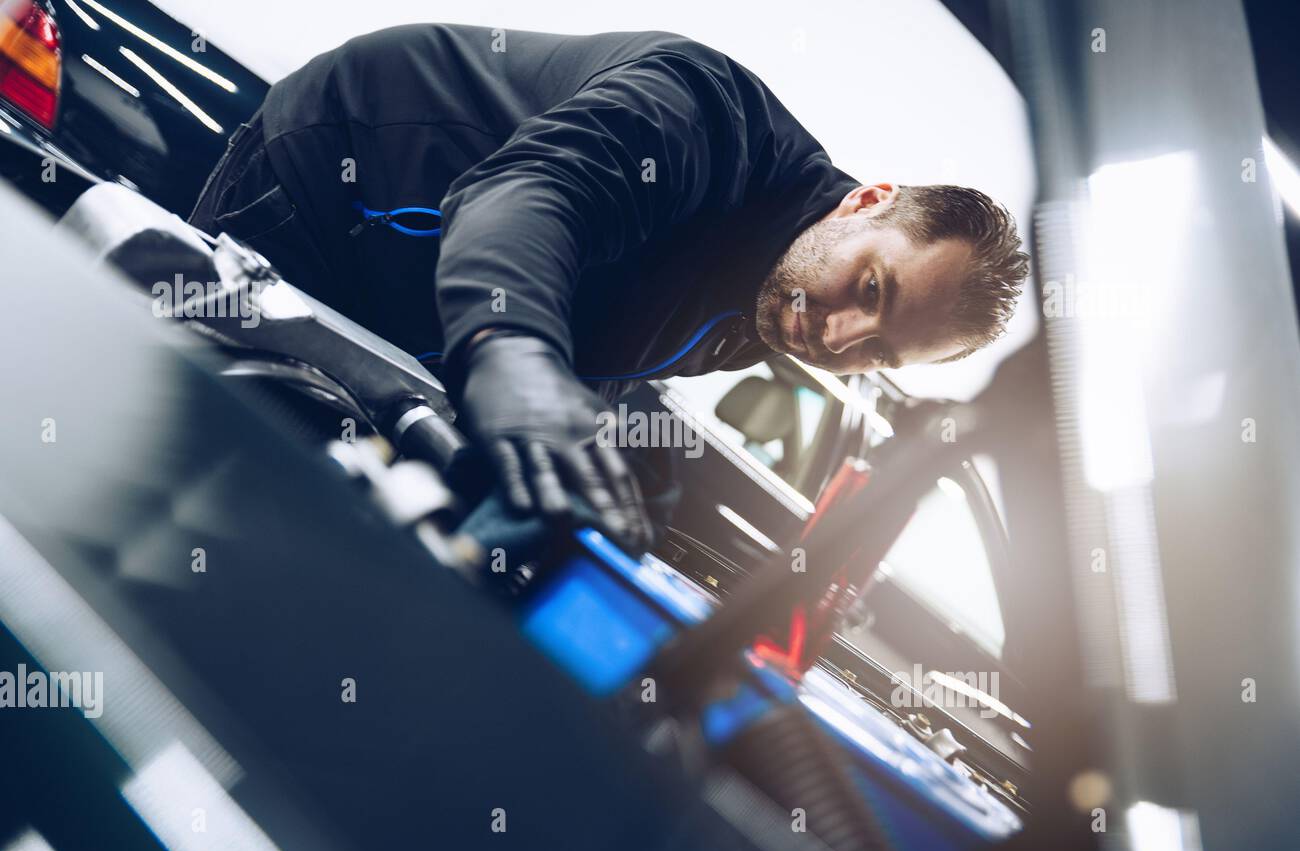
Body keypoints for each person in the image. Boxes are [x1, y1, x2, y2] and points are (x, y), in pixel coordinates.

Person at [190, 24, 1029, 549]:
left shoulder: (766, 311)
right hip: (320, 198)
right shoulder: (704, 112)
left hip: (411, 316)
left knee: (300, 525)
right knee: (207, 461)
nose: (840, 338)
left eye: (877, 349)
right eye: (873, 290)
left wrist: (619, 463)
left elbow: (613, 330)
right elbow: (527, 199)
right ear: (869, 200)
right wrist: (512, 352)